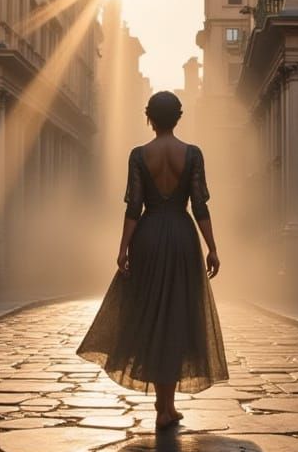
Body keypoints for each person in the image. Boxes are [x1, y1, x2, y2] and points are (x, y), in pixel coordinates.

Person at [77, 90, 229, 428]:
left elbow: (134, 208)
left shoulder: (138, 155)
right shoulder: (192, 154)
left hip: (147, 236)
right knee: (176, 315)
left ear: (150, 118)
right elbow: (200, 206)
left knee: (149, 314)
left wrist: (122, 248)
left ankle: (163, 407)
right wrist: (212, 247)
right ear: (178, 118)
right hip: (181, 236)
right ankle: (167, 407)